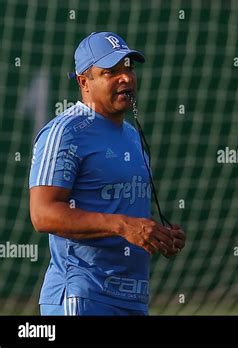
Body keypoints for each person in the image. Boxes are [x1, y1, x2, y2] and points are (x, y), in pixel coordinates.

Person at [29, 31, 185, 316]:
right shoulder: (66, 132)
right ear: (84, 82)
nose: (125, 77)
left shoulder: (132, 135)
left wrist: (157, 235)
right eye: (111, 72)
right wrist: (124, 226)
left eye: (129, 68)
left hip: (134, 300)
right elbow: (42, 214)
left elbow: (121, 214)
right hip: (83, 297)